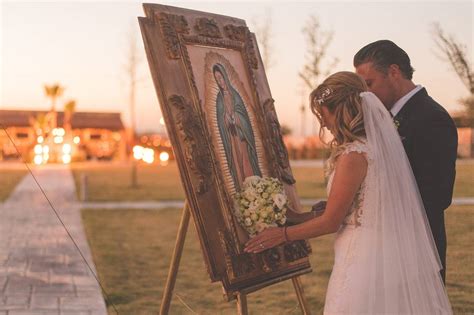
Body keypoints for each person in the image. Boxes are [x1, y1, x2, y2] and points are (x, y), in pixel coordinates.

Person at [244, 71, 452, 314]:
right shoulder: (377, 147)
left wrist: (282, 235)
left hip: (363, 259)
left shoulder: (354, 154)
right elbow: (358, 207)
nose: (323, 123)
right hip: (383, 255)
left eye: (323, 115)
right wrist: (295, 216)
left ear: (340, 110)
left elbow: (331, 221)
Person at [353, 40, 458, 283]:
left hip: (417, 248)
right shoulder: (382, 118)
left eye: (370, 84)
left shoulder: (432, 118)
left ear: (393, 71)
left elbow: (438, 195)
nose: (366, 94)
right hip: (384, 246)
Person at [213, 63, 261, 191]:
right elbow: (220, 120)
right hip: (231, 138)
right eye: (217, 79)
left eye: (221, 77)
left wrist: (236, 117)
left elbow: (243, 114)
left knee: (245, 160)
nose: (220, 81)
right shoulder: (219, 99)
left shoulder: (235, 95)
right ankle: (240, 188)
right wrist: (225, 119)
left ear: (225, 77)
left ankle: (252, 188)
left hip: (241, 136)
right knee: (236, 163)